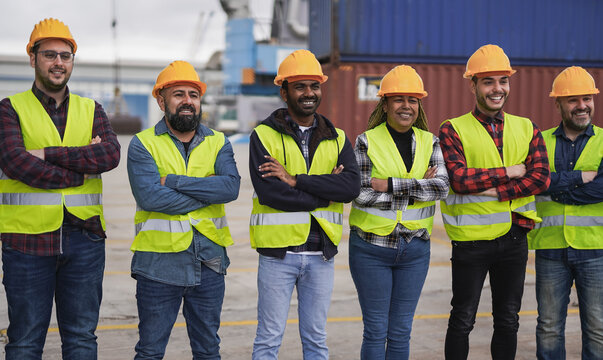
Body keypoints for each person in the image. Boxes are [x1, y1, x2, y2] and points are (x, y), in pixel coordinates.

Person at [0, 18, 120, 359]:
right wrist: (78, 171)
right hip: (26, 241)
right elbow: (14, 162)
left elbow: (109, 154)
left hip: (85, 237)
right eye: (50, 54)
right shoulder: (9, 109)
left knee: (82, 339)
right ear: (33, 58)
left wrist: (48, 155)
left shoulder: (91, 108)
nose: (58, 62)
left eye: (65, 56)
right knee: (24, 341)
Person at [438, 44, 551, 360]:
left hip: (514, 238)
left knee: (508, 320)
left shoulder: (526, 127)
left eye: (503, 80)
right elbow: (459, 179)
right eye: (488, 81)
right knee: (462, 320)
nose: (497, 88)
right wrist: (510, 172)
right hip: (470, 242)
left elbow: (540, 179)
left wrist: (497, 191)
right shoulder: (452, 128)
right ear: (472, 84)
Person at [248, 49, 360, 359]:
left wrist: (296, 180)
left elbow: (350, 187)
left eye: (314, 86)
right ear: (284, 91)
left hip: (320, 256)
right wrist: (327, 191)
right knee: (269, 339)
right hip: (277, 256)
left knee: (316, 340)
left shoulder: (337, 137)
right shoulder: (264, 135)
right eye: (300, 86)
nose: (308, 93)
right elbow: (272, 193)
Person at [127, 60, 240, 359]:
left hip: (210, 263)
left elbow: (230, 189)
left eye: (193, 94)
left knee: (208, 351)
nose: (187, 101)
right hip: (158, 266)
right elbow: (151, 198)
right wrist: (207, 192)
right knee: (150, 351)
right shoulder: (143, 144)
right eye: (178, 94)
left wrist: (175, 182)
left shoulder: (219, 142)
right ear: (161, 100)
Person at [348, 65, 449, 359]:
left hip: (415, 249)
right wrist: (419, 187)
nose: (406, 106)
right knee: (376, 331)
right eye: (399, 99)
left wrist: (390, 185)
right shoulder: (367, 141)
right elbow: (361, 195)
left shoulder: (431, 142)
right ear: (385, 104)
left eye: (413, 100)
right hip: (371, 248)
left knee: (402, 331)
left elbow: (442, 188)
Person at [528, 66, 603, 360]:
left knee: (598, 329)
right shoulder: (539, 141)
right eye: (572, 100)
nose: (581, 106)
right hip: (550, 248)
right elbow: (534, 183)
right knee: (548, 328)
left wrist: (554, 186)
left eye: (587, 98)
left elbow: (600, 190)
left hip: (595, 249)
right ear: (557, 103)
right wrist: (581, 178)